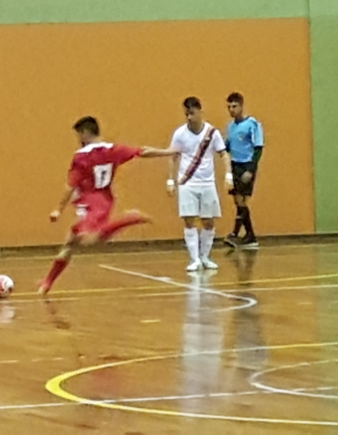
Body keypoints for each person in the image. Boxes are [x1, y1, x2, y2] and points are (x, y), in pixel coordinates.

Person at [38, 117, 173, 295]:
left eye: (78, 135)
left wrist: (58, 209)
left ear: (85, 133)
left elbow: (69, 186)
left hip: (91, 202)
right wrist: (168, 152)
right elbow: (143, 151)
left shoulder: (82, 157)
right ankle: (47, 283)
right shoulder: (114, 150)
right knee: (70, 241)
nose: (78, 140)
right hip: (105, 200)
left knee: (88, 239)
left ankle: (130, 218)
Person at [168, 97, 233, 272]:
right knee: (189, 220)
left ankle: (205, 256)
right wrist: (170, 180)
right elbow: (173, 157)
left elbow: (223, 154)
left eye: (192, 113)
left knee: (209, 221)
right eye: (186, 114)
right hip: (187, 183)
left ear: (200, 111)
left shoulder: (212, 133)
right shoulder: (180, 134)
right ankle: (194, 258)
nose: (189, 117)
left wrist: (228, 175)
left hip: (207, 183)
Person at [224, 92, 264, 250]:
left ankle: (234, 234)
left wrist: (251, 170)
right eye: (229, 107)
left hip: (246, 165)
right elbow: (229, 145)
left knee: (241, 200)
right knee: (237, 201)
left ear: (241, 106)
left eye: (234, 106)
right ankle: (250, 236)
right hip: (235, 164)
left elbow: (258, 148)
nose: (231, 110)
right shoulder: (231, 126)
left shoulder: (252, 124)